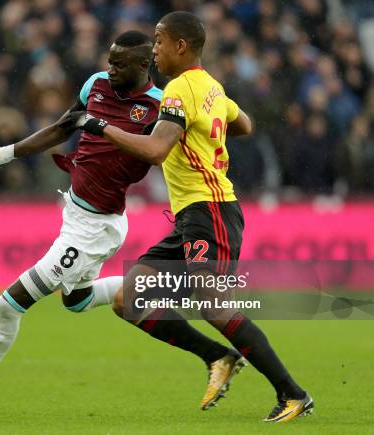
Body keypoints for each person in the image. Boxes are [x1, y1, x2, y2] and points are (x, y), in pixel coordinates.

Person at [0, 30, 237, 414]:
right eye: (109, 60)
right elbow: (61, 129)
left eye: (119, 64)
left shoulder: (163, 105)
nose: (109, 68)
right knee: (76, 300)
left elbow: (179, 146)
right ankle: (152, 295)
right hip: (76, 213)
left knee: (9, 304)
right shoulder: (95, 85)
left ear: (144, 65)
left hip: (96, 228)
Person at [62, 12, 313, 423]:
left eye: (159, 41)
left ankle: (293, 394)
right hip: (192, 217)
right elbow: (243, 124)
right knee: (129, 299)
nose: (154, 49)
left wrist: (98, 125)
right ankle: (218, 356)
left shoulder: (179, 90)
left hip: (209, 210)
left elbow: (156, 151)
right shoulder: (211, 86)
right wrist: (206, 131)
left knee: (214, 305)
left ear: (181, 46)